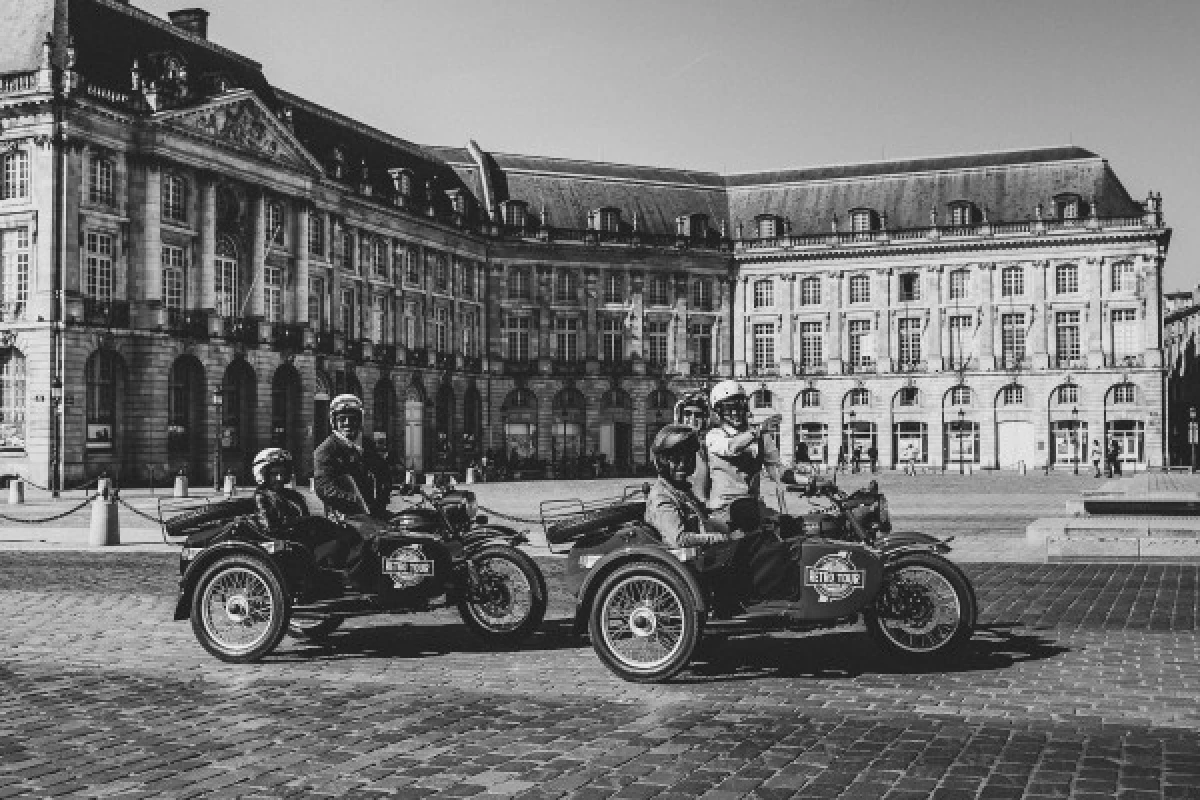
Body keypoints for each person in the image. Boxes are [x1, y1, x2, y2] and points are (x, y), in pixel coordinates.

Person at [251, 447, 369, 587]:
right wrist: (305, 524)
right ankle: (347, 581)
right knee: (338, 546)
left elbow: (306, 518)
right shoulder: (262, 497)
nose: (279, 478)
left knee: (351, 535)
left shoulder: (294, 496)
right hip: (289, 547)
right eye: (274, 474)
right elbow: (270, 529)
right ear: (263, 474)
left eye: (282, 473)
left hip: (305, 541)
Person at [704, 380, 782, 522]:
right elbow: (732, 447)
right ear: (719, 412)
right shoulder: (714, 435)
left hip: (752, 506)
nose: (736, 412)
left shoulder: (761, 437)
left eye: (739, 406)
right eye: (729, 409)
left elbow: (777, 470)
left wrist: (811, 481)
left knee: (788, 528)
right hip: (724, 511)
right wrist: (758, 431)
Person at [674, 389, 712, 504]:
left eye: (698, 415)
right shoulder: (674, 443)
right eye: (688, 414)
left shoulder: (705, 445)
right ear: (681, 417)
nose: (692, 419)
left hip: (698, 503)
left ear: (705, 419)